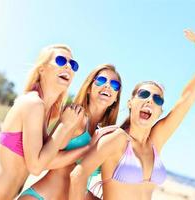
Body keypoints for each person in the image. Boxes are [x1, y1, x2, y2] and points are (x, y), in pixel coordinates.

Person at [69, 29, 195, 200]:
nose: (150, 101)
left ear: (159, 112)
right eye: (143, 94)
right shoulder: (116, 139)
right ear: (130, 103)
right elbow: (77, 177)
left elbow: (186, 100)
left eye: (157, 99)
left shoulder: (156, 141)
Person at [0, 44, 84, 200]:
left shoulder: (46, 113)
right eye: (60, 60)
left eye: (73, 65)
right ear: (42, 69)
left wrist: (89, 149)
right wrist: (64, 126)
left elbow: (47, 160)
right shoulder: (33, 104)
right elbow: (36, 166)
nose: (68, 66)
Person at [18, 64, 122, 200]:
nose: (108, 86)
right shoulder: (74, 115)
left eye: (115, 85)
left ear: (116, 98)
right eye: (101, 80)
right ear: (89, 88)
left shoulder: (107, 136)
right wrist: (89, 148)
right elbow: (44, 163)